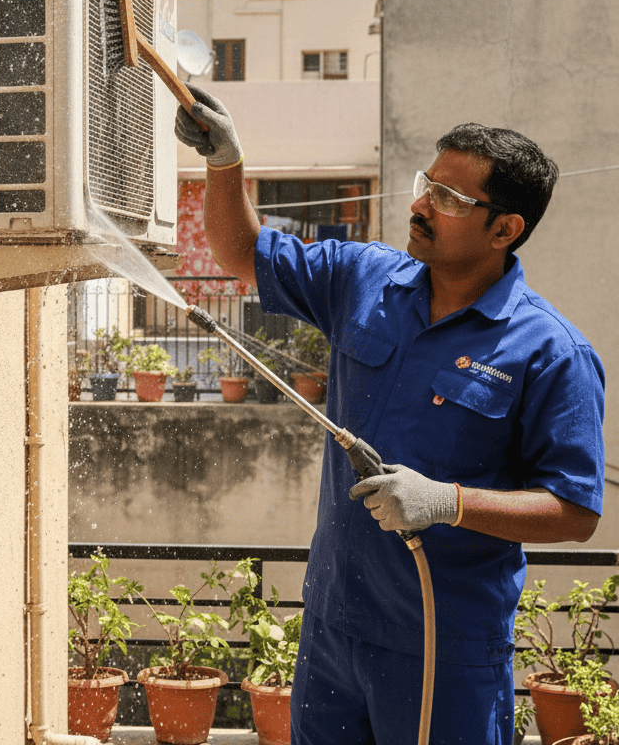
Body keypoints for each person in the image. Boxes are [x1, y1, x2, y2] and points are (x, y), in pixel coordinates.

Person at [174, 84, 605, 745]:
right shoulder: (363, 279)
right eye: (426, 184)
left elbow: (575, 512)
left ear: (504, 229)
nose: (421, 205)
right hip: (333, 628)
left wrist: (447, 502)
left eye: (450, 200)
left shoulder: (550, 352)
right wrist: (225, 164)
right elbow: (241, 254)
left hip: (443, 644)